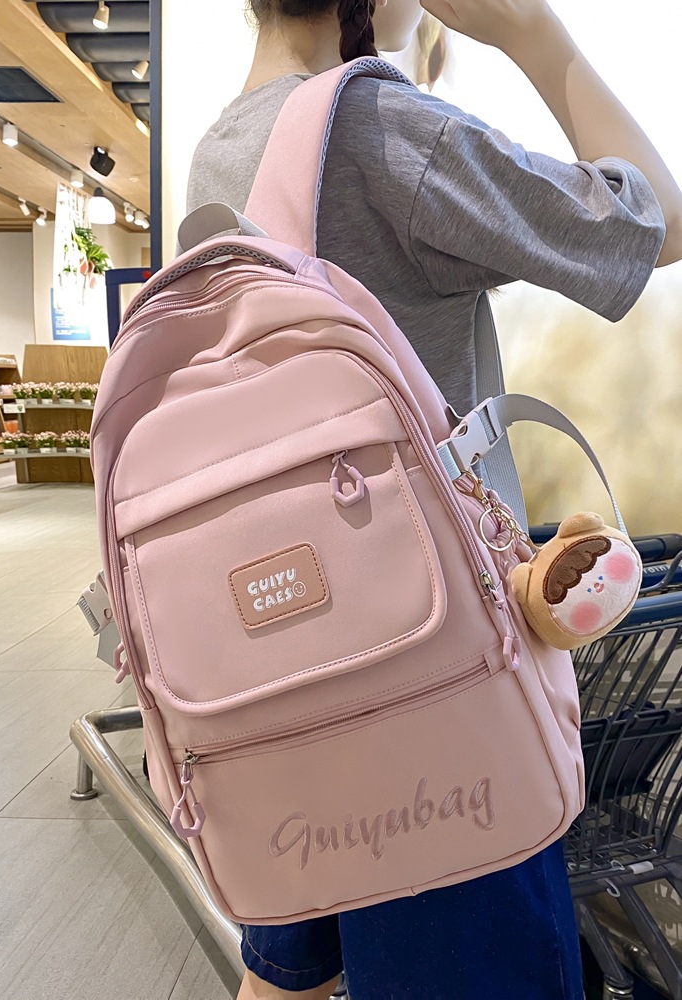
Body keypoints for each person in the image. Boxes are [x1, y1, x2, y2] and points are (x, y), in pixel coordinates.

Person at [186, 2, 682, 997]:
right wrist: (536, 34)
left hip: (283, 684)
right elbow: (656, 222)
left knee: (286, 978)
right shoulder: (385, 132)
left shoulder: (220, 151)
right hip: (437, 713)